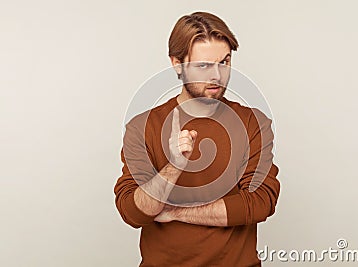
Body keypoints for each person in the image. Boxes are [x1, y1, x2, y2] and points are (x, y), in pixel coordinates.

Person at [114, 11, 280, 266]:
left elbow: (259, 203)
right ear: (177, 64)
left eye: (224, 62)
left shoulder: (252, 123)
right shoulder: (142, 127)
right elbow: (133, 212)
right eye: (203, 65)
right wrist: (175, 167)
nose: (217, 76)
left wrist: (175, 212)